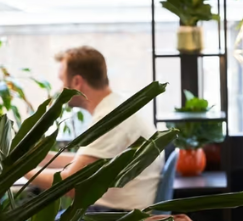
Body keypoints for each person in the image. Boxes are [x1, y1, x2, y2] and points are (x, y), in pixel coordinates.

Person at [25, 46, 161, 210]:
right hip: (116, 212)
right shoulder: (117, 106)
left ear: (77, 82)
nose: (59, 89)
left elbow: (73, 184)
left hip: (113, 218)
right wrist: (40, 157)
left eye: (61, 81)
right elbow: (86, 163)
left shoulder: (110, 118)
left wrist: (19, 171)